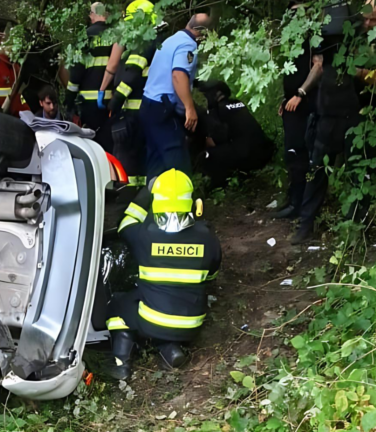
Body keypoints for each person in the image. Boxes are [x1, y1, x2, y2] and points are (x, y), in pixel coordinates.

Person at [292, 0, 376, 244]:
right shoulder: (345, 31)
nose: (368, 23)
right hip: (330, 112)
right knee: (316, 169)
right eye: (365, 18)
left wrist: (356, 71)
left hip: (363, 116)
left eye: (374, 20)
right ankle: (305, 224)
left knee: (359, 175)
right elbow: (320, 64)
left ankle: (354, 232)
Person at [107, 169, 221, 380]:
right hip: (192, 324)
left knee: (117, 305)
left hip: (153, 321)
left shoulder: (144, 235)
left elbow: (125, 223)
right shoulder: (208, 238)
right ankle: (170, 349)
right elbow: (211, 277)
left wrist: (145, 193)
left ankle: (120, 363)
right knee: (165, 307)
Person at [140, 12, 213, 180]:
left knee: (156, 161)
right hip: (163, 109)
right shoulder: (188, 45)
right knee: (177, 162)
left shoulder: (172, 40)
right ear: (202, 32)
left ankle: (154, 195)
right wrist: (189, 108)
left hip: (149, 105)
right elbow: (178, 75)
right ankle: (181, 196)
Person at [270, 1, 323, 219]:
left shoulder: (314, 35)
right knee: (291, 151)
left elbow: (318, 66)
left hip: (306, 102)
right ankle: (293, 197)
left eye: (299, 12)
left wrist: (300, 93)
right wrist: (287, 98)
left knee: (299, 151)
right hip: (292, 102)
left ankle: (298, 204)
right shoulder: (292, 37)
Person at [107, 0, 163, 187]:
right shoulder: (155, 40)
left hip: (136, 112)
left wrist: (116, 101)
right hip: (147, 111)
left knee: (128, 157)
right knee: (142, 159)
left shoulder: (144, 43)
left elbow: (131, 74)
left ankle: (128, 194)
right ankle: (140, 193)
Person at [195, 80, 275, 187]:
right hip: (265, 151)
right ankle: (242, 174)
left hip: (248, 156)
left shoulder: (218, 111)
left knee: (206, 156)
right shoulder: (238, 103)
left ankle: (219, 185)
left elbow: (215, 140)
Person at [64, 2, 115, 149]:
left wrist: (69, 101)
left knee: (93, 145)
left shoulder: (84, 37)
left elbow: (75, 75)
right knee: (109, 144)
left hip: (89, 103)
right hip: (112, 101)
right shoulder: (116, 36)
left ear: (93, 15)